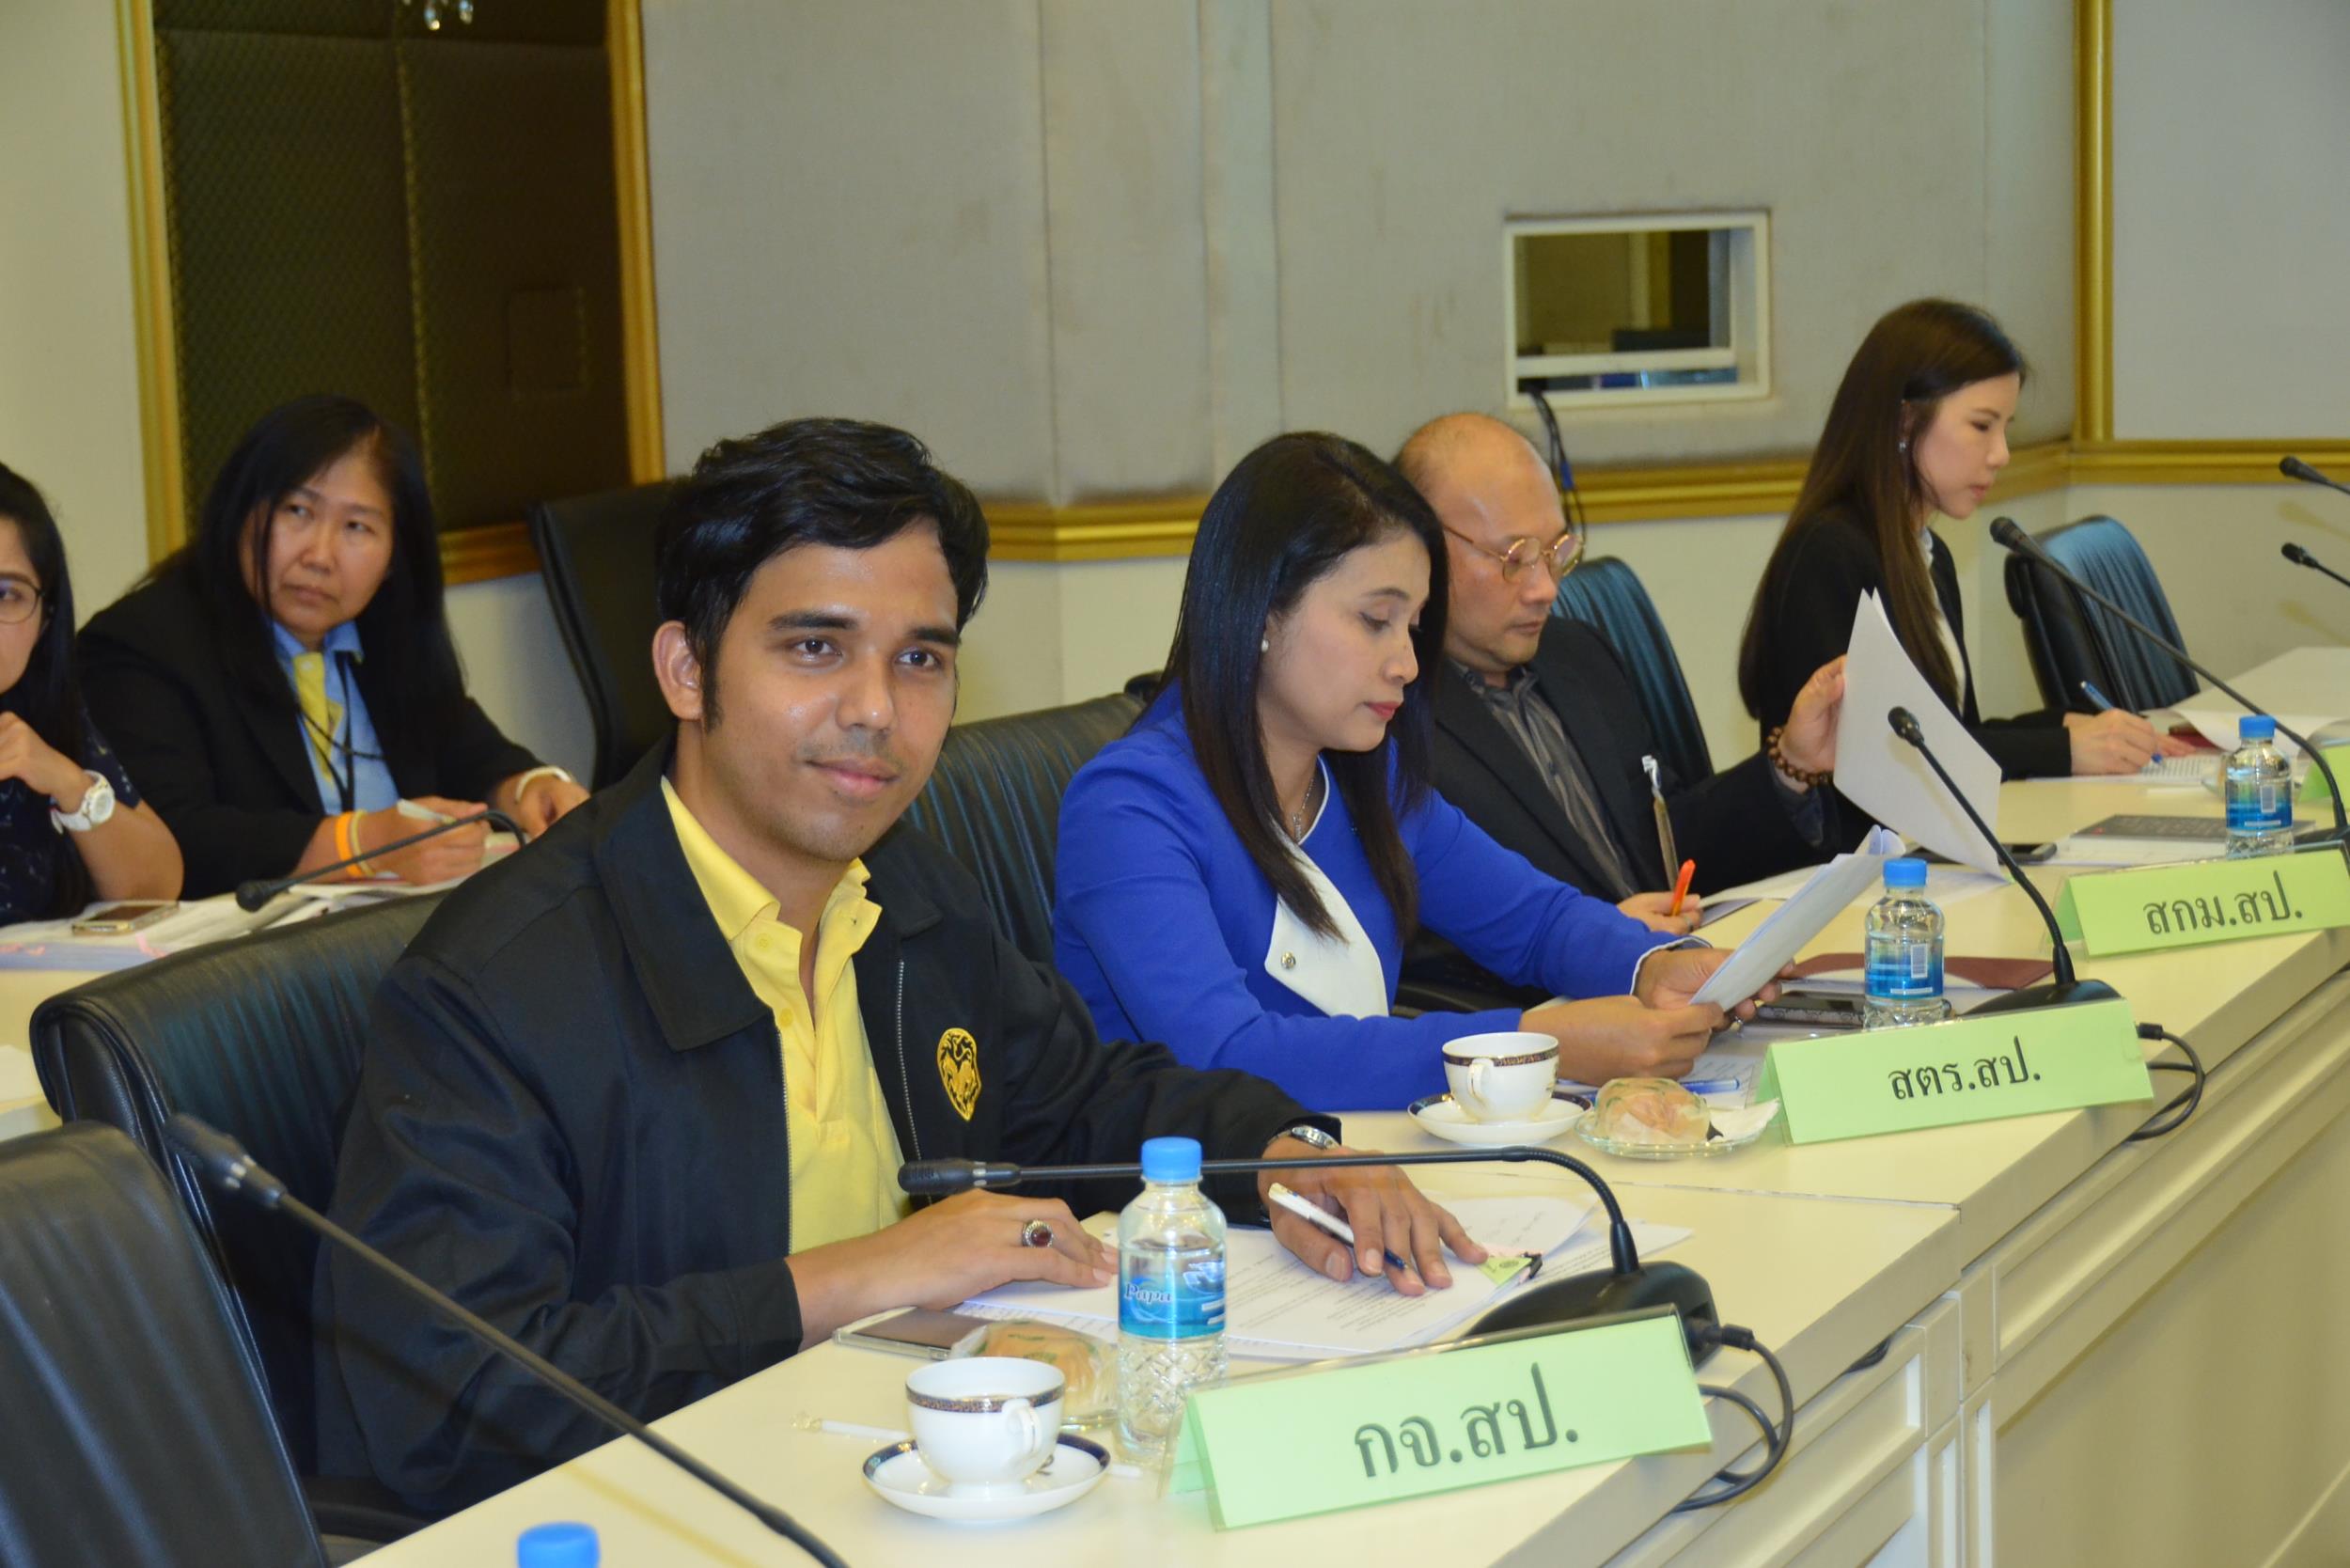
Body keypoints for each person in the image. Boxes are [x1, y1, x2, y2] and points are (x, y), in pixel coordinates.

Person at [317, 416, 1478, 1515]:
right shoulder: (497, 989)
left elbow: (1083, 1099)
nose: (875, 708)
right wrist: (867, 1274)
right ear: (685, 671)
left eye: (919, 658)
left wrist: (1281, 1154)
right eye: (815, 647)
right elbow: (450, 1396)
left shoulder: (904, 890)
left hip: (898, 1473)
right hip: (655, 1515)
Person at [1054, 432, 1777, 1115]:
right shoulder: (1128, 810)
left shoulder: (1366, 773)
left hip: (1357, 1157)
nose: (1405, 662)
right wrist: (1529, 1044)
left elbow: (1533, 921)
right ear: (1263, 612)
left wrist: (1655, 964)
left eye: (1414, 626)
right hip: (1185, 1193)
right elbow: (1227, 1054)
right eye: (1376, 620)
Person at [79, 396, 589, 899]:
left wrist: (530, 787)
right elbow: (178, 841)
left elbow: (468, 749)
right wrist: (363, 844)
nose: (319, 556)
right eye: (297, 511)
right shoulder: (143, 645)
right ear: (240, 513)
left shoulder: (384, 635)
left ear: (394, 556)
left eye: (356, 527)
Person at [1394, 414, 1844, 967]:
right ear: (1422, 548)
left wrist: (1791, 763)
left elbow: (1667, 846)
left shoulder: (1577, 656)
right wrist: (1598, 940)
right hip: (1562, 1004)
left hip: (1675, 971)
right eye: (1516, 559)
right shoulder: (1391, 714)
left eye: (1556, 551)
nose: (1545, 588)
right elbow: (1414, 944)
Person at [1738, 299, 2186, 781]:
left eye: (2005, 429)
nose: (2001, 455)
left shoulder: (1931, 556)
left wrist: (2065, 725)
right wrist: (2062, 749)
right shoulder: (1828, 554)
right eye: (1981, 426)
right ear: (1905, 422)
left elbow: (1954, 734)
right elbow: (1878, 756)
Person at [0, 465, 180, 925]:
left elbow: (157, 886)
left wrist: (68, 783)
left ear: (44, 619)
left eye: (6, 594)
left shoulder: (38, 713)